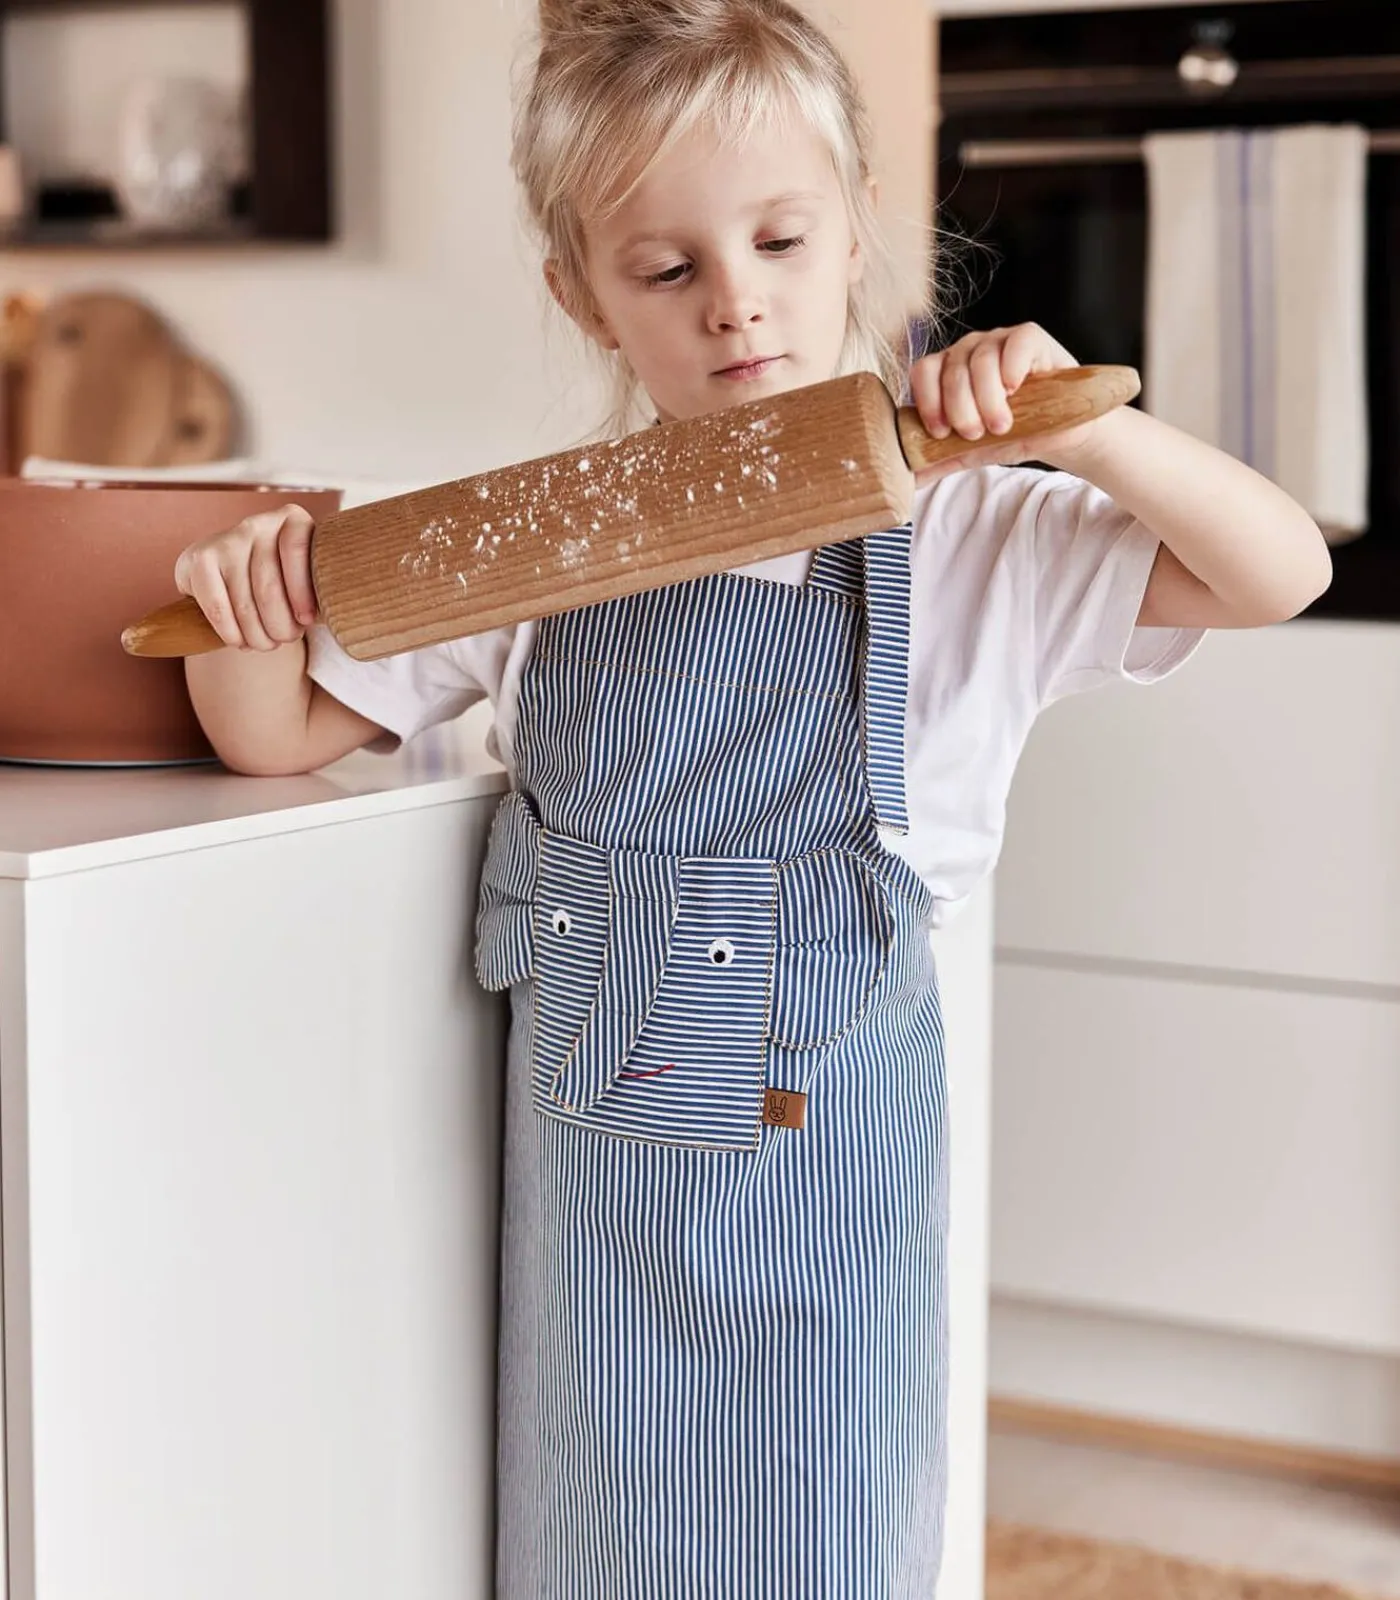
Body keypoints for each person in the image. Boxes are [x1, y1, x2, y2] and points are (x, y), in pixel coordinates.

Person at [174, 1, 1332, 1592]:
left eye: (780, 240)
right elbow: (279, 736)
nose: (736, 303)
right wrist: (242, 612)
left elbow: (1277, 572)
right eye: (667, 269)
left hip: (830, 1250)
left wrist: (1094, 428)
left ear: (858, 228)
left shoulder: (970, 539)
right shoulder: (548, 544)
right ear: (581, 297)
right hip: (595, 1255)